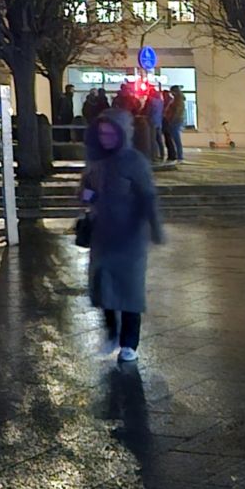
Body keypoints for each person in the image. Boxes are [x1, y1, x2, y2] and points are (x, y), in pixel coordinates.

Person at [81, 110, 164, 363]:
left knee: (129, 292)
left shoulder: (134, 162)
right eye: (101, 133)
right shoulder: (96, 162)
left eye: (109, 133)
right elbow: (85, 190)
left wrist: (155, 228)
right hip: (103, 234)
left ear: (120, 133)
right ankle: (111, 334)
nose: (105, 138)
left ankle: (129, 343)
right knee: (102, 284)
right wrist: (88, 196)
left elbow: (147, 196)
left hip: (130, 236)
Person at [164, 86, 188, 159]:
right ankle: (179, 155)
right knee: (175, 139)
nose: (171, 93)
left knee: (176, 139)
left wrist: (171, 120)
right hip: (176, 121)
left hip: (175, 121)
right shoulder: (177, 100)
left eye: (172, 92)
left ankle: (180, 156)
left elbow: (176, 112)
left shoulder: (178, 101)